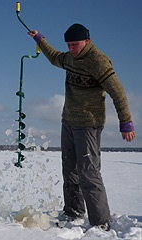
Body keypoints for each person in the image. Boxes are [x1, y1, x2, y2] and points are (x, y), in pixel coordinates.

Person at [28, 23, 135, 231]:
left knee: (89, 172)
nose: (70, 49)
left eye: (74, 44)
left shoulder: (98, 61)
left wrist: (126, 122)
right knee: (69, 171)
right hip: (68, 122)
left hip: (89, 125)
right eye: (68, 45)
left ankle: (100, 222)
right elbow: (54, 57)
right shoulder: (69, 58)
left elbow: (118, 92)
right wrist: (40, 39)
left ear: (86, 41)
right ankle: (73, 212)